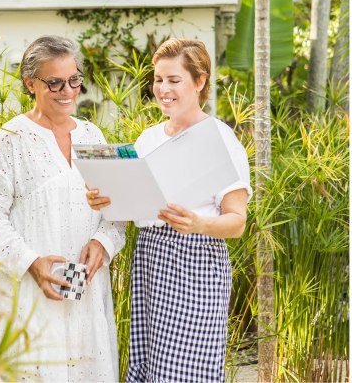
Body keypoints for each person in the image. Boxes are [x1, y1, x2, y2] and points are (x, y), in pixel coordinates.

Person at [87, 38, 251, 383]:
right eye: (158, 79)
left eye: (174, 80)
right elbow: (135, 205)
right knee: (149, 366)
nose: (163, 89)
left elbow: (237, 222)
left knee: (187, 370)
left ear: (200, 81)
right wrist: (106, 199)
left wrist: (198, 223)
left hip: (196, 259)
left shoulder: (220, 139)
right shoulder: (147, 139)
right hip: (150, 257)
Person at [0, 36, 125, 381]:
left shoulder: (94, 136)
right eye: (54, 82)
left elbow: (116, 209)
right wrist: (32, 264)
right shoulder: (11, 138)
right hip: (28, 291)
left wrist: (103, 242)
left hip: (84, 292)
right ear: (30, 83)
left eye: (74, 80)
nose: (68, 90)